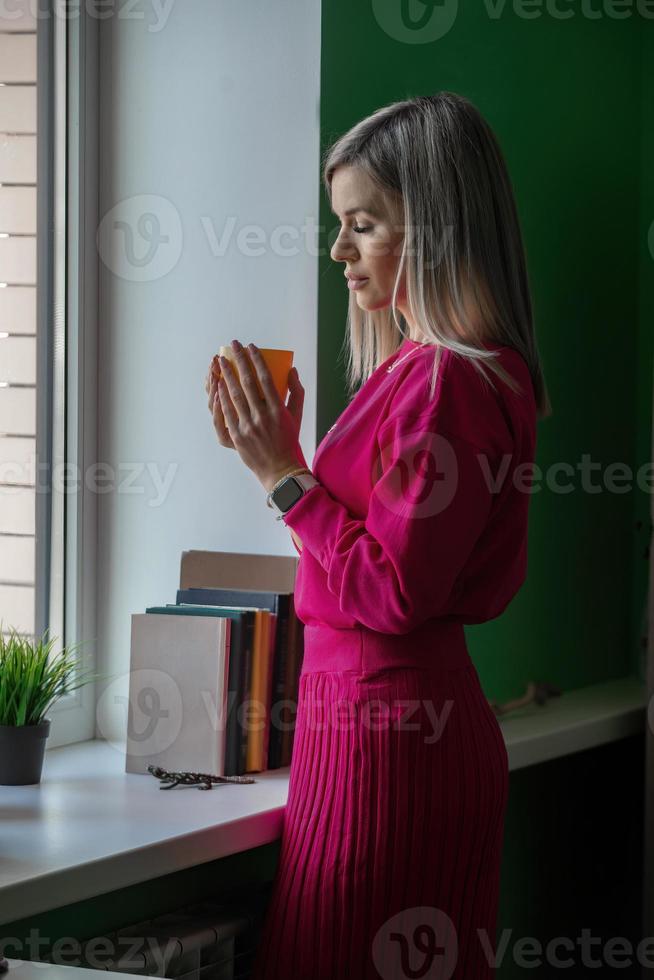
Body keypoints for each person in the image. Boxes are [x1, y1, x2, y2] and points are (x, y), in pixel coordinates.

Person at [205, 91, 551, 979]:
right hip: (369, 734)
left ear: (434, 228)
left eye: (362, 225)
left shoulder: (447, 383)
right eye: (339, 224)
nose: (338, 251)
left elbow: (396, 592)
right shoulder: (432, 372)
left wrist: (281, 473)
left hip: (390, 749)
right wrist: (293, 475)